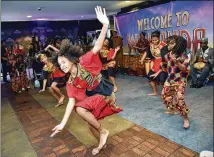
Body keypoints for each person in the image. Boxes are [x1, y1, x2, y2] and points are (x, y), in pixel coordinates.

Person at [50, 6, 123, 155]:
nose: (62, 66)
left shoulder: (84, 61)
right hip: (96, 97)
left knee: (80, 109)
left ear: (71, 59)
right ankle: (101, 143)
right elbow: (70, 101)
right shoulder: (71, 82)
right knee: (90, 123)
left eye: (64, 62)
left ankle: (103, 132)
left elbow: (97, 46)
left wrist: (104, 25)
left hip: (106, 92)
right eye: (60, 64)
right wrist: (63, 124)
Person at [160, 35, 190, 129]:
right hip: (170, 79)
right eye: (169, 42)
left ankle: (186, 118)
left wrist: (177, 63)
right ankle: (172, 109)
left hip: (180, 80)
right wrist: (162, 65)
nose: (169, 44)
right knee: (164, 96)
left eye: (172, 43)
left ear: (179, 44)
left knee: (179, 99)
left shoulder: (184, 55)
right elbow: (163, 59)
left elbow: (185, 69)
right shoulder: (169, 54)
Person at [140, 30, 167, 96]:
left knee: (162, 80)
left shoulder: (163, 45)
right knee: (150, 77)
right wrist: (142, 59)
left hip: (163, 63)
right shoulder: (151, 44)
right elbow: (147, 51)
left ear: (159, 38)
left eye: (156, 40)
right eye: (153, 40)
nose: (154, 42)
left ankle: (166, 93)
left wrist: (162, 66)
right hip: (155, 63)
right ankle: (155, 92)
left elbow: (166, 58)